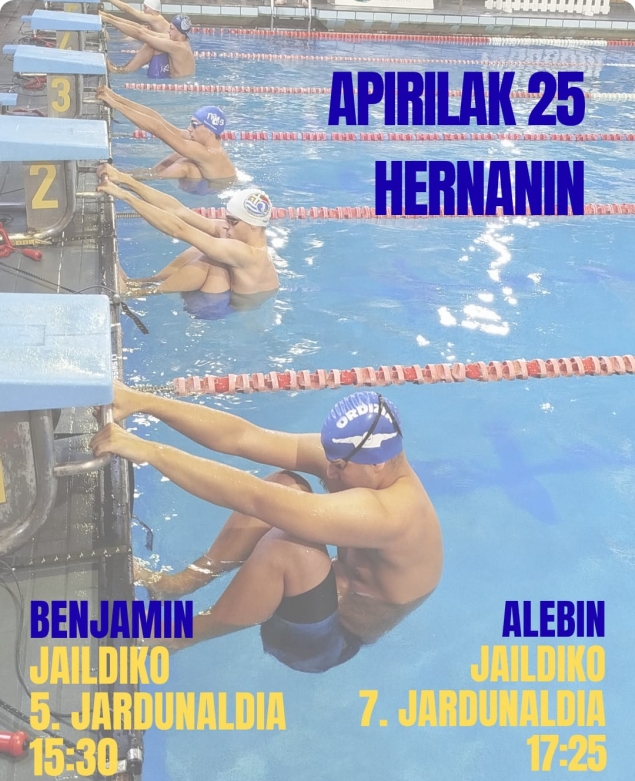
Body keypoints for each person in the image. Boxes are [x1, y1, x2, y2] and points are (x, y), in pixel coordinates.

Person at [90, 386, 443, 673]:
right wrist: (143, 402)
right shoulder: (356, 459)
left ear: (378, 463)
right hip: (312, 596)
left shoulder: (392, 514)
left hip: (322, 642)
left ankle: (176, 636)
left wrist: (150, 451)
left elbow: (255, 498)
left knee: (289, 544)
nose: (329, 473)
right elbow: (244, 437)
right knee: (285, 484)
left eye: (338, 467)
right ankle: (177, 585)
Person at [97, 166, 278, 319]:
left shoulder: (250, 254)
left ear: (254, 225)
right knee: (204, 246)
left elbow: (179, 230)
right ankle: (141, 283)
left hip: (214, 307)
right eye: (227, 219)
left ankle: (136, 293)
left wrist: (125, 196)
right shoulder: (232, 234)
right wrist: (125, 180)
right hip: (216, 293)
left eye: (233, 221)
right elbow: (179, 210)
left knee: (211, 259)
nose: (226, 225)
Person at [98, 87, 235, 190]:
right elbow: (158, 120)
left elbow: (158, 129)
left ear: (209, 130)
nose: (189, 129)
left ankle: (123, 178)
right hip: (205, 180)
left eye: (194, 125)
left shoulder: (208, 153)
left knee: (187, 166)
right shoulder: (203, 141)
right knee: (181, 155)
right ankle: (138, 174)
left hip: (208, 189)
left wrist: (116, 106)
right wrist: (115, 98)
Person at [100, 12, 194, 78]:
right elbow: (143, 31)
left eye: (172, 28)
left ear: (181, 33)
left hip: (178, 86)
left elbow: (140, 35)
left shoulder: (177, 47)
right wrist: (108, 17)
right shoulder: (182, 41)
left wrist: (109, 20)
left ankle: (122, 71)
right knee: (152, 46)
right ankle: (122, 69)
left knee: (150, 45)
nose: (168, 31)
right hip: (176, 81)